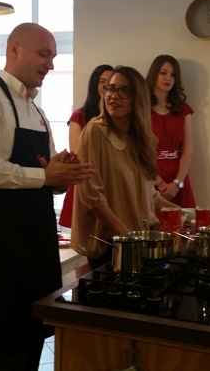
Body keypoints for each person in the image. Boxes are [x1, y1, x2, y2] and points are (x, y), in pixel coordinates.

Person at [0, 22, 94, 370]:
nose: (50, 64)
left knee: (36, 328)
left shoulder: (38, 112)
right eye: (44, 54)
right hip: (5, 238)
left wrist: (61, 175)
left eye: (53, 56)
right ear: (13, 49)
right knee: (7, 338)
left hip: (38, 238)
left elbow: (46, 176)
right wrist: (46, 176)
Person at [70, 66, 179, 269]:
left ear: (138, 98)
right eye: (110, 89)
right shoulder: (95, 131)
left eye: (124, 91)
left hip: (138, 238)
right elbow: (91, 196)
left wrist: (184, 213)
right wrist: (125, 234)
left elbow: (149, 193)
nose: (114, 96)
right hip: (111, 243)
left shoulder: (140, 138)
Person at [58, 64, 114, 229]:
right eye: (102, 82)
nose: (106, 87)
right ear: (94, 85)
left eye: (111, 83)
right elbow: (77, 153)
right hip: (85, 181)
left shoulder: (118, 118)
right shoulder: (79, 116)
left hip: (110, 182)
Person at [145, 54, 196, 207]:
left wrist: (177, 183)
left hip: (178, 178)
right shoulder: (142, 108)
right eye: (163, 73)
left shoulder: (183, 109)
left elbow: (188, 148)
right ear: (154, 74)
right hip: (149, 176)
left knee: (183, 220)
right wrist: (158, 182)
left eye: (173, 75)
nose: (168, 78)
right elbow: (137, 149)